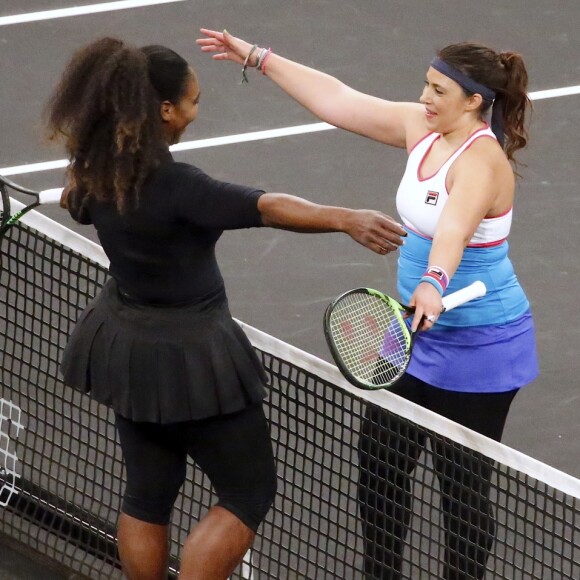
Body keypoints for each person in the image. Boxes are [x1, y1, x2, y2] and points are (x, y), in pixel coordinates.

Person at [45, 37, 406, 580]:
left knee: (147, 494)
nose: (196, 110)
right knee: (247, 489)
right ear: (164, 111)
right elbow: (265, 207)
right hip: (193, 357)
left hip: (126, 344)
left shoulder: (96, 173)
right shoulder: (179, 187)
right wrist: (345, 217)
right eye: (191, 100)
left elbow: (77, 202)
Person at [197, 30, 539, 579]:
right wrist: (259, 58)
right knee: (380, 468)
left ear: (474, 101)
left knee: (462, 485)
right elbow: (339, 101)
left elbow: (455, 225)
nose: (425, 98)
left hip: (480, 344)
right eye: (426, 85)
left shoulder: (483, 161)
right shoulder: (423, 129)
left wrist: (432, 280)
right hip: (409, 330)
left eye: (438, 91)